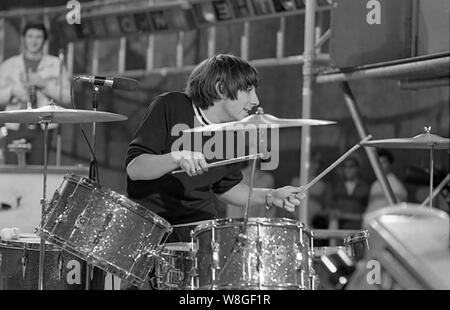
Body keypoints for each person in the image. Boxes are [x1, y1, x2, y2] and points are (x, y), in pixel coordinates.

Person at [126, 54, 304, 243]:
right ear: (220, 88)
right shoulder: (171, 105)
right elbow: (135, 169)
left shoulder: (233, 131)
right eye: (248, 90)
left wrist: (271, 195)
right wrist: (177, 157)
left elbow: (228, 188)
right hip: (150, 230)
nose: (256, 100)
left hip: (199, 232)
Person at [0, 21, 71, 165]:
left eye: (38, 37)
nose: (34, 41)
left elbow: (68, 97)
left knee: (39, 171)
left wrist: (44, 85)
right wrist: (12, 92)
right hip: (15, 125)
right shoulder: (8, 64)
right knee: (13, 169)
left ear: (44, 40)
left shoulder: (56, 64)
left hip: (43, 126)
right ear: (24, 39)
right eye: (30, 36)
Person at [330, 156, 370, 229]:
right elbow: (331, 208)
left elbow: (367, 214)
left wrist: (345, 215)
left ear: (358, 168)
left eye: (351, 166)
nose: (348, 169)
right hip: (339, 230)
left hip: (358, 230)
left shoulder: (365, 188)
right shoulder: (338, 187)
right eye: (345, 167)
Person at [366, 149, 407, 215]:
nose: (380, 165)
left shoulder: (396, 185)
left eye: (384, 162)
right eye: (378, 162)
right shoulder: (375, 184)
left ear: (390, 164)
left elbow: (397, 211)